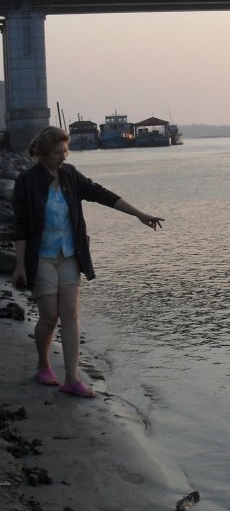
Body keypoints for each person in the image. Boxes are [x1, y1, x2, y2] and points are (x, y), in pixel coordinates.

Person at [12, 126, 164, 398]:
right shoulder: (26, 181)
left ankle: (71, 378)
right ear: (44, 153)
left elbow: (101, 194)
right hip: (42, 256)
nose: (64, 156)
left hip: (71, 254)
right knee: (49, 316)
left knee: (70, 313)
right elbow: (21, 227)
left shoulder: (69, 175)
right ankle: (43, 364)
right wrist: (20, 265)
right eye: (59, 152)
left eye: (65, 151)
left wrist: (139, 214)